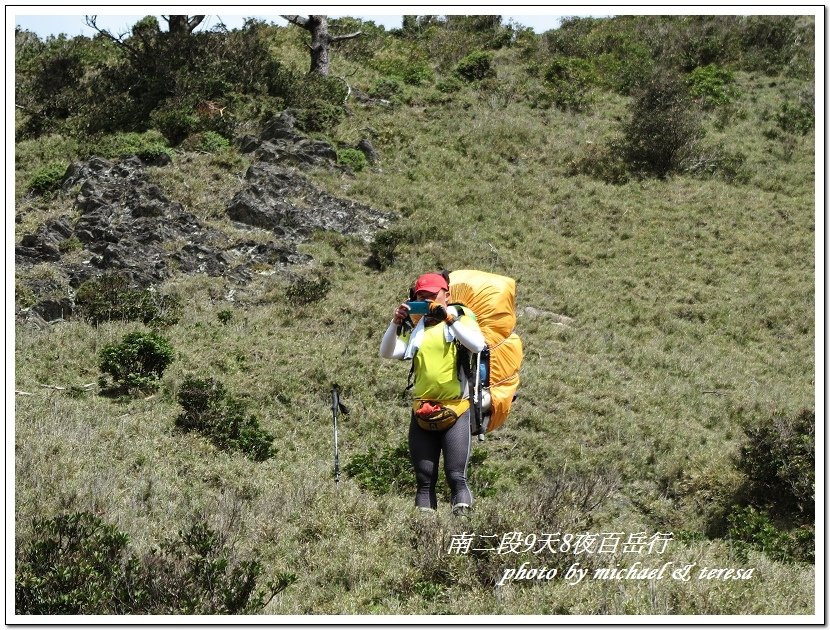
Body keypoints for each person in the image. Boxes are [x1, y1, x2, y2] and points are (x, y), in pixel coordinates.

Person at [379, 271, 486, 516]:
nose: (427, 301)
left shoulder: (461, 316)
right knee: (424, 479)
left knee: (456, 475)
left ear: (446, 295)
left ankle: (462, 532)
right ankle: (424, 535)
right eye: (421, 297)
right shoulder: (417, 328)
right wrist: (395, 322)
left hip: (456, 408)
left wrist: (448, 318)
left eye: (432, 296)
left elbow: (477, 345)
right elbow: (387, 352)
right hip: (422, 410)